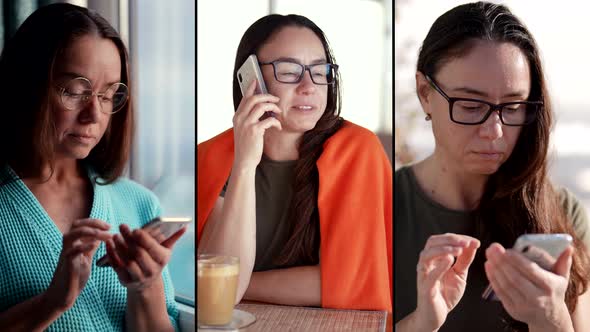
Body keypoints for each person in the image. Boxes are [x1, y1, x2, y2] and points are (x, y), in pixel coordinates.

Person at [395, 2, 590, 332]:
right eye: (471, 106)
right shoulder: (381, 205)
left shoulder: (561, 213)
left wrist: (551, 318)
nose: (495, 132)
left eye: (513, 107)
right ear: (425, 93)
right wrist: (422, 323)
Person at [0, 4, 185, 331]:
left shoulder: (139, 203)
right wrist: (51, 302)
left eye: (108, 95)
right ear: (25, 84)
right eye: (74, 92)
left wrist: (145, 287)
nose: (94, 116)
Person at [197, 14, 392, 311]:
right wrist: (245, 165)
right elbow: (215, 296)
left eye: (319, 70)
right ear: (251, 78)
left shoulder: (359, 151)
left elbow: (353, 284)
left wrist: (246, 283)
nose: (308, 85)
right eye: (289, 71)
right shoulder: (212, 157)